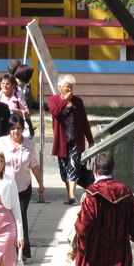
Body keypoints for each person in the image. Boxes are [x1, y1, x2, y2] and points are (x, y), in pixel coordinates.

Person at [0, 114, 44, 260]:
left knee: (20, 215)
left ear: (23, 129)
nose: (16, 131)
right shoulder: (0, 143)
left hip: (23, 187)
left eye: (19, 128)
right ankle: (11, 248)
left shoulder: (29, 144)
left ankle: (21, 250)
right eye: (13, 128)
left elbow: (34, 164)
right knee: (8, 217)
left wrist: (41, 183)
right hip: (5, 187)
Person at [48, 74, 94, 205]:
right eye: (67, 87)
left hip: (75, 140)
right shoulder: (54, 100)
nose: (70, 90)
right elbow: (55, 112)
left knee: (73, 167)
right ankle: (69, 194)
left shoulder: (78, 101)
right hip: (61, 141)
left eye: (71, 87)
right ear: (60, 87)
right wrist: (64, 101)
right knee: (64, 170)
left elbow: (84, 121)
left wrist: (90, 139)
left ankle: (72, 196)